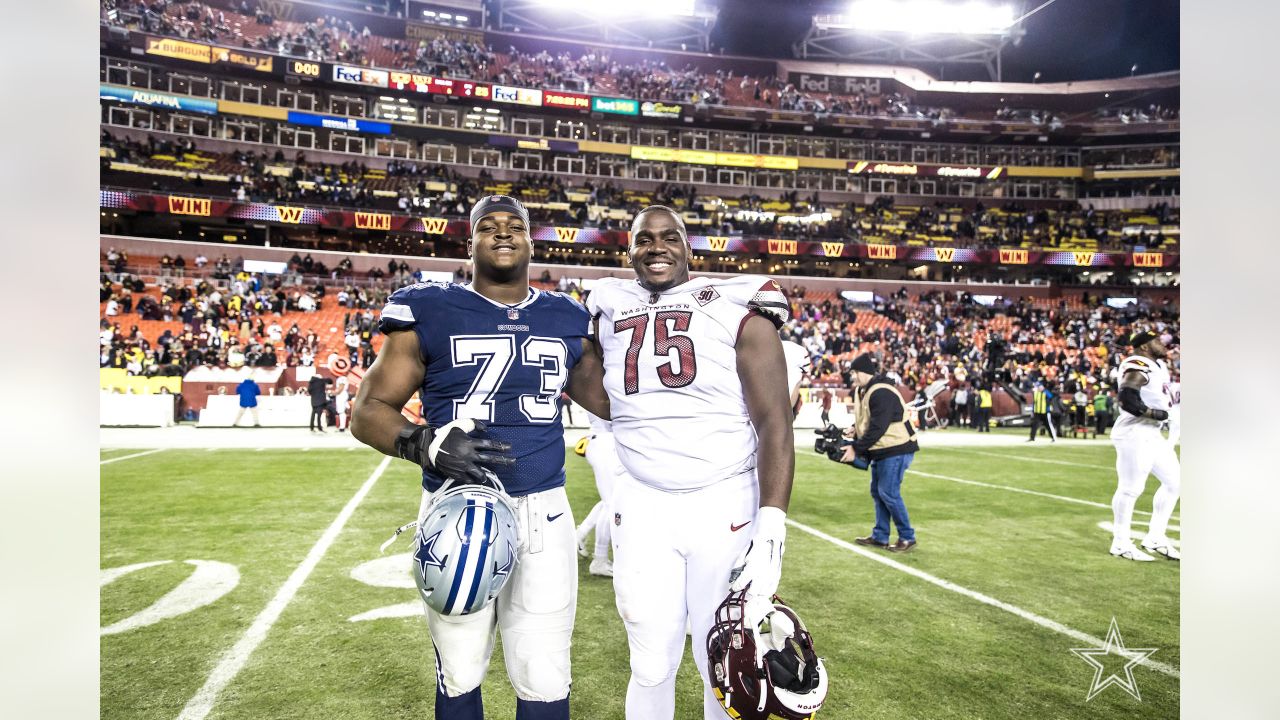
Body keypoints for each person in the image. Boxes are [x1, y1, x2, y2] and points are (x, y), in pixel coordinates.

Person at [350, 195, 609, 720]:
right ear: (469, 242)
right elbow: (369, 410)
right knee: (461, 667)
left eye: (515, 226)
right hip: (455, 508)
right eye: (488, 227)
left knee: (544, 671)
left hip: (543, 510)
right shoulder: (429, 307)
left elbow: (615, 401)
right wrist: (424, 443)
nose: (503, 234)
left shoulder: (566, 316)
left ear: (532, 240)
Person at [584, 205, 795, 720]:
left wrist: (772, 525)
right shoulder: (607, 306)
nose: (656, 247)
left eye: (669, 237)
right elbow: (603, 392)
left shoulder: (738, 308)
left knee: (721, 660)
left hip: (724, 502)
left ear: (688, 246)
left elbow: (775, 425)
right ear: (629, 250)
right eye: (644, 239)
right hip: (643, 505)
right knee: (650, 663)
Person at [1109, 331, 1180, 561]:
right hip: (1135, 432)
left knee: (1174, 483)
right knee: (1131, 488)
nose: (1163, 344)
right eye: (1157, 341)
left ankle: (1155, 537)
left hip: (1152, 433)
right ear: (1145, 347)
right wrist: (1154, 413)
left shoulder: (1157, 365)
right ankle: (1120, 542)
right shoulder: (1138, 363)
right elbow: (1127, 398)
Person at [844, 353, 921, 552]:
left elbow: (879, 426)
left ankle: (907, 537)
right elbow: (870, 419)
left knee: (889, 492)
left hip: (896, 448)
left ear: (863, 372)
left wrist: (856, 448)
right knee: (879, 493)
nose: (852, 376)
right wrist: (855, 428)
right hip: (883, 449)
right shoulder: (864, 390)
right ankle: (880, 536)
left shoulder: (881, 391)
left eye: (854, 372)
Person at [573, 409, 618, 577]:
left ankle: (579, 535)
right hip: (607, 441)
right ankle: (599, 560)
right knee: (612, 504)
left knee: (609, 500)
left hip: (603, 441)